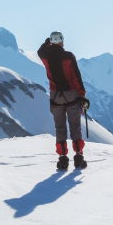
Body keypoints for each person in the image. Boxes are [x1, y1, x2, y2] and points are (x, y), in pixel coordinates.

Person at [37, 30, 89, 170]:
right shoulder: (68, 56)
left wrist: (48, 41)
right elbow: (76, 78)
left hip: (55, 97)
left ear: (51, 42)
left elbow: (40, 50)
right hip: (71, 95)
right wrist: (82, 96)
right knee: (75, 126)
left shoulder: (45, 56)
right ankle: (78, 157)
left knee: (60, 128)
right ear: (62, 41)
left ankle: (62, 159)